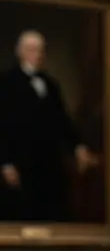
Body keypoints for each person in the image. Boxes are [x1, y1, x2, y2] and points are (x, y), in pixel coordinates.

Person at [0, 30, 97, 223]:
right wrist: (5, 163)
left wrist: (78, 147)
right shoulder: (6, 82)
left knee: (53, 216)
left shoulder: (51, 85)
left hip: (51, 166)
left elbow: (62, 121)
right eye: (33, 49)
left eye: (41, 50)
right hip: (20, 167)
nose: (39, 54)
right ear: (20, 52)